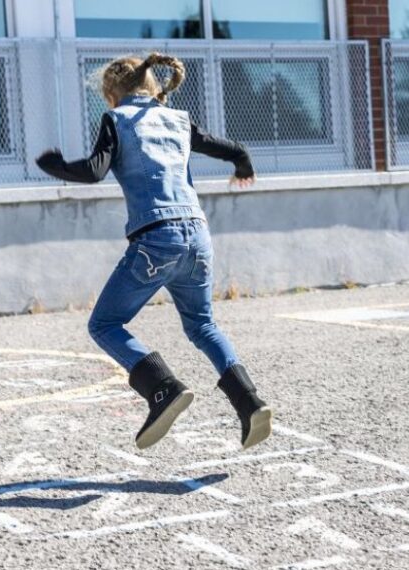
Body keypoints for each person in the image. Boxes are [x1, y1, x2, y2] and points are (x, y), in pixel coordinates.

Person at [35, 53, 272, 451]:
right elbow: (230, 148)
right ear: (151, 86)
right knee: (202, 326)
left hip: (156, 239)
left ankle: (162, 388)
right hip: (197, 237)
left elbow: (94, 170)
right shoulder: (178, 119)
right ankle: (250, 403)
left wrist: (55, 165)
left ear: (112, 94)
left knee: (104, 325)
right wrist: (243, 165)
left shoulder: (117, 119)